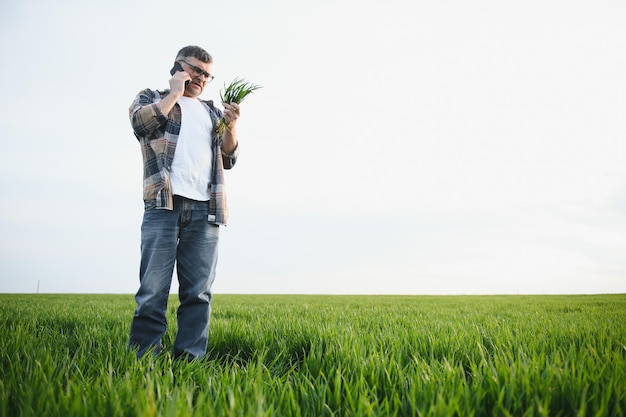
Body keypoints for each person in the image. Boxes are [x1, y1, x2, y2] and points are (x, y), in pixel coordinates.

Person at [128, 45, 240, 360]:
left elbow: (229, 158)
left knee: (198, 294)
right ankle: (143, 361)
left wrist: (231, 126)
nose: (202, 79)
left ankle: (190, 360)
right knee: (152, 292)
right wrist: (175, 93)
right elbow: (141, 125)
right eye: (196, 71)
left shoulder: (213, 113)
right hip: (163, 205)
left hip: (206, 209)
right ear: (178, 67)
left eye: (207, 74)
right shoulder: (151, 97)